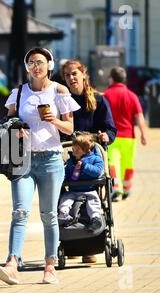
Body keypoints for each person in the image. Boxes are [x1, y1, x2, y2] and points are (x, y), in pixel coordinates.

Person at [0, 47, 80, 285]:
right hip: (24, 160)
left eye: (40, 62)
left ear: (49, 65)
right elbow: (8, 123)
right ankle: (12, 263)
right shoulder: (19, 93)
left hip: (51, 159)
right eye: (31, 62)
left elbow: (71, 129)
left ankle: (50, 265)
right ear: (27, 66)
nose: (36, 66)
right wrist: (16, 131)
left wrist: (55, 121)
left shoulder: (59, 91)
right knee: (19, 212)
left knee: (49, 215)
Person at [60, 59, 118, 264]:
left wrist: (105, 137)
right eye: (67, 75)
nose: (71, 78)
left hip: (93, 156)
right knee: (67, 198)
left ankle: (90, 245)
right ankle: (71, 243)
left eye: (74, 73)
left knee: (93, 198)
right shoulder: (63, 101)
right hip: (70, 157)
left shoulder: (98, 100)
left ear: (83, 74)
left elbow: (111, 129)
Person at [104, 67, 147, 201]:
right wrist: (143, 134)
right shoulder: (132, 95)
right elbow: (139, 116)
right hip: (129, 137)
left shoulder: (107, 95)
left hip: (112, 137)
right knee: (127, 164)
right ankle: (127, 190)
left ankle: (116, 189)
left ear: (111, 79)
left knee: (113, 163)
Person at [58, 133, 104, 231]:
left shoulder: (96, 159)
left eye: (77, 150)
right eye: (73, 150)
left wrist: (84, 166)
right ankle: (63, 214)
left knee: (94, 202)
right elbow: (68, 175)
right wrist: (71, 169)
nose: (73, 153)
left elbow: (97, 172)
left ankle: (95, 218)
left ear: (87, 150)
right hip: (73, 190)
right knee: (65, 199)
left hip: (90, 189)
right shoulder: (71, 161)